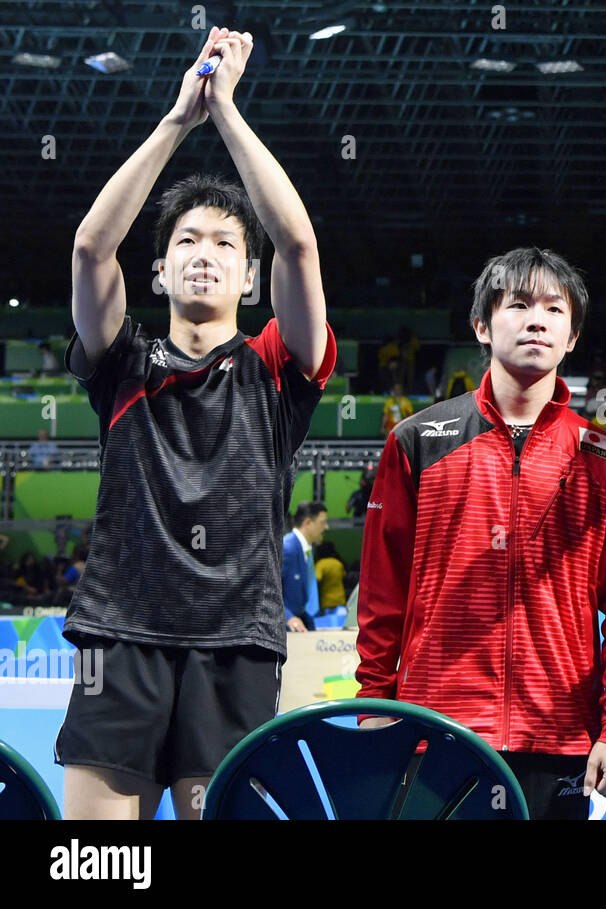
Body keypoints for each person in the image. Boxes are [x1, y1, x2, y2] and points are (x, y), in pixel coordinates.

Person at [56, 27, 334, 821]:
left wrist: (229, 112)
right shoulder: (123, 364)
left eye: (223, 242)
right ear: (160, 270)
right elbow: (88, 247)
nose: (203, 252)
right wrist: (180, 117)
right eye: (184, 241)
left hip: (235, 646)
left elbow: (299, 242)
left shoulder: (279, 370)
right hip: (121, 635)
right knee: (101, 870)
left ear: (251, 278)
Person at [356, 247, 606, 820]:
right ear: (481, 325)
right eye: (517, 304)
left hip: (561, 735)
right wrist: (374, 701)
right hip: (437, 726)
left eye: (553, 308)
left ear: (572, 337)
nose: (536, 319)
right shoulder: (419, 442)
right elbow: (382, 589)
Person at [283, 502, 328, 632]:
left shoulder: (306, 550)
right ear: (308, 522)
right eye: (322, 522)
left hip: (301, 627)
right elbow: (266, 591)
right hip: (286, 632)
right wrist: (288, 617)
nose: (326, 527)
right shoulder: (288, 548)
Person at [313, 540, 347, 612]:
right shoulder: (338, 563)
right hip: (340, 600)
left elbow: (317, 579)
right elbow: (344, 576)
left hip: (327, 602)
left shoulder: (320, 564)